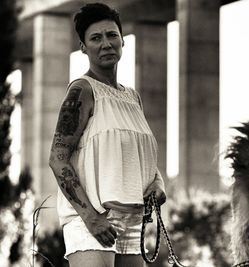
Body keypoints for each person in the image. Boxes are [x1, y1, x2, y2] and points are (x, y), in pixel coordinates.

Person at [48, 3, 166, 267]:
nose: (106, 44)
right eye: (96, 38)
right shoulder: (82, 90)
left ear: (122, 40)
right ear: (83, 47)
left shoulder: (132, 97)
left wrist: (158, 185)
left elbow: (140, 156)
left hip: (132, 220)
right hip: (92, 220)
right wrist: (91, 218)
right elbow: (58, 159)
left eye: (112, 35)